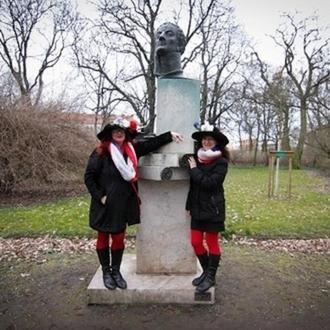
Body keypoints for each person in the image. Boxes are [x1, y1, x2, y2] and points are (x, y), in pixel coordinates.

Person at [84, 116, 183, 290]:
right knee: (103, 237)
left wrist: (169, 135)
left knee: (118, 238)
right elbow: (89, 177)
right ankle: (106, 271)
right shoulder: (100, 152)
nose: (119, 133)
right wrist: (100, 196)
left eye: (121, 131)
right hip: (104, 204)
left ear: (126, 134)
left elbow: (150, 145)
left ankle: (116, 271)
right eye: (115, 131)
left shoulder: (131, 150)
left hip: (122, 203)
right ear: (110, 134)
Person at [186, 122, 230, 293]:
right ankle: (206, 272)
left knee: (212, 243)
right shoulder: (196, 158)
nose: (206, 142)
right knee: (196, 242)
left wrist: (194, 170)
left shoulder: (221, 162)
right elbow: (194, 186)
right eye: (204, 139)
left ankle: (211, 277)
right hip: (197, 208)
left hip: (213, 209)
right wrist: (189, 205)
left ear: (216, 142)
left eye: (210, 139)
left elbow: (210, 183)